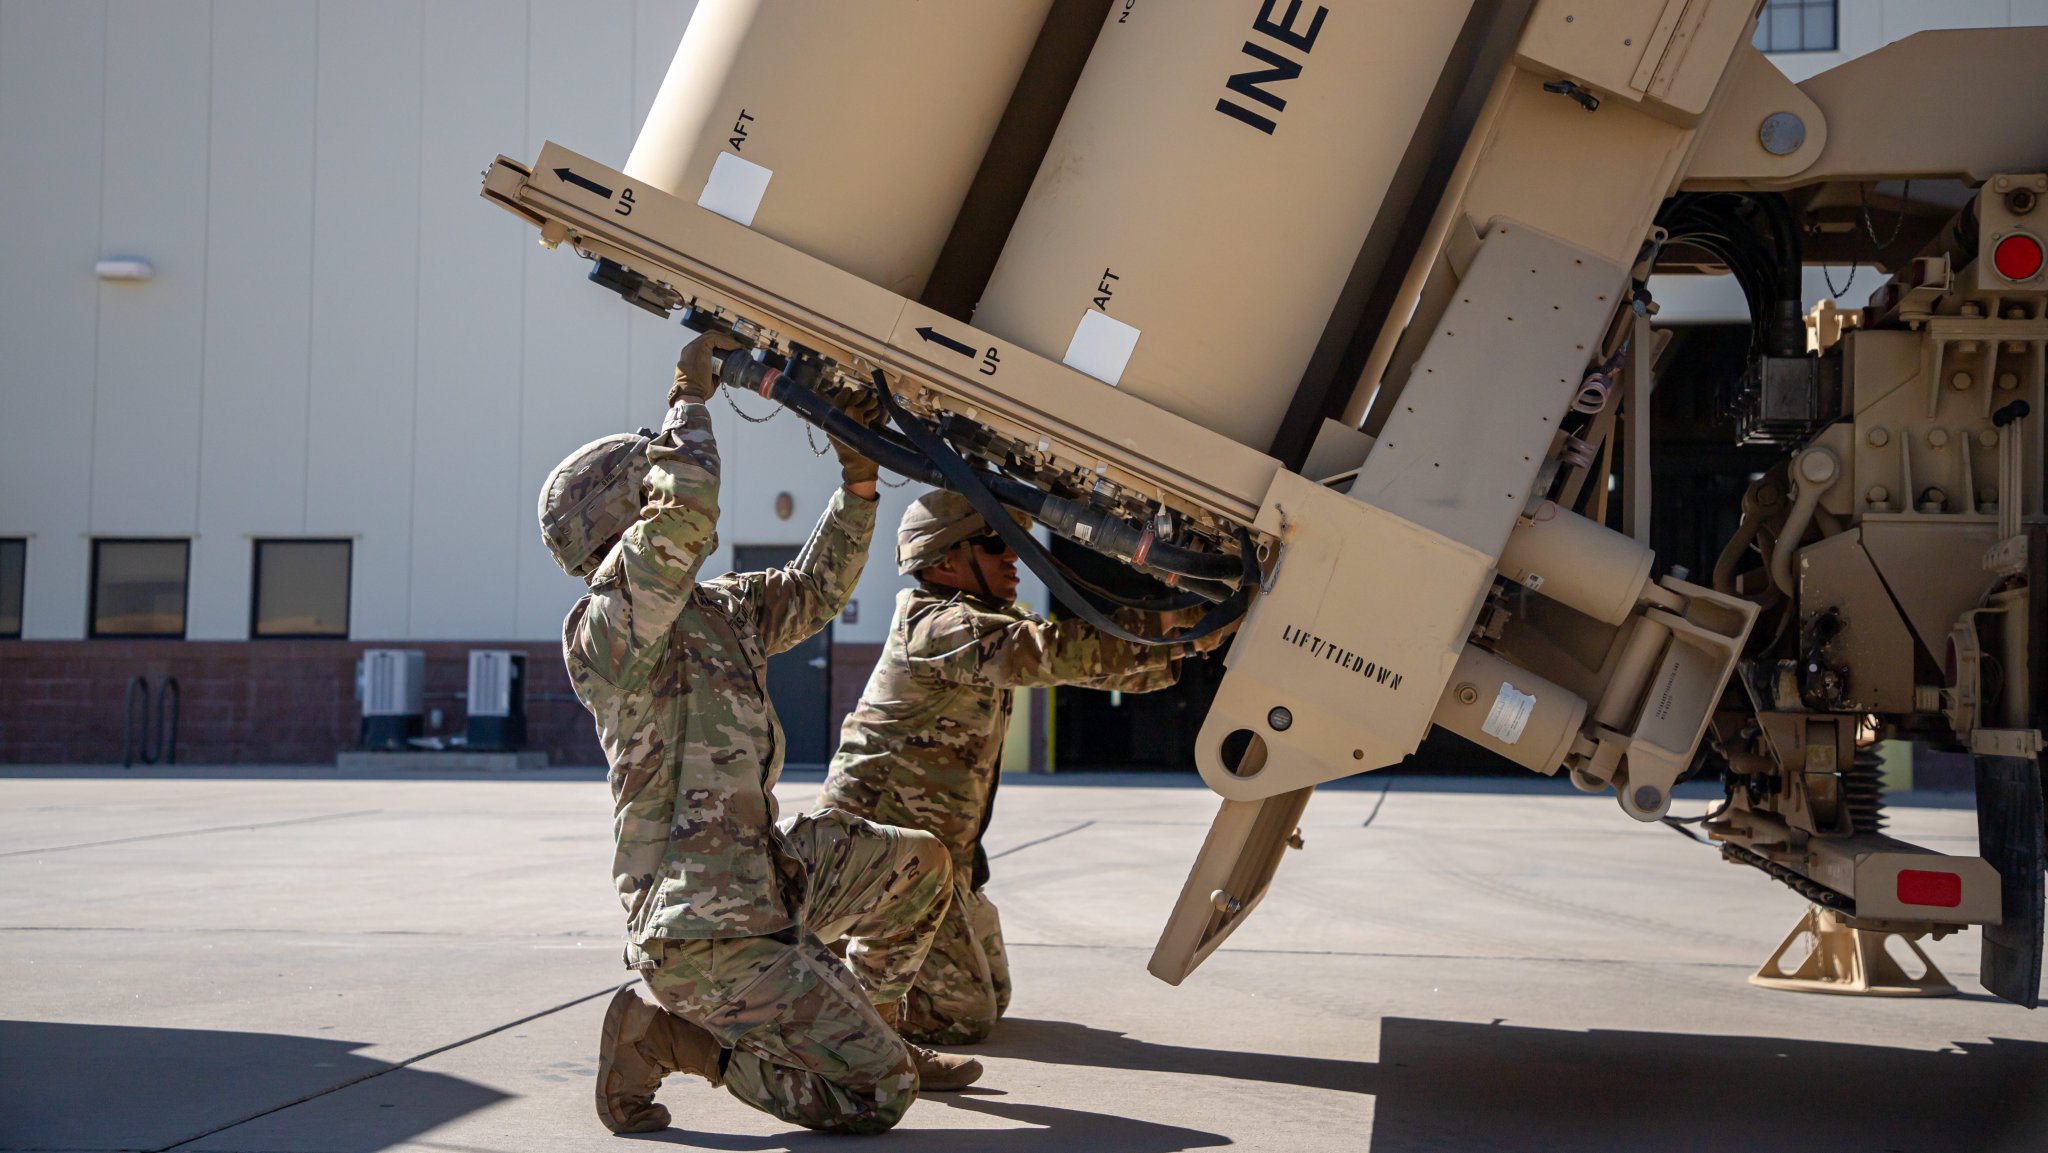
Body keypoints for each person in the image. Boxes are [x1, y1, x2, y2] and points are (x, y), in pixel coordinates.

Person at [542, 333, 982, 1138]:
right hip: (702, 933)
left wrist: (856, 480)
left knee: (919, 863)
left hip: (765, 877)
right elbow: (682, 517)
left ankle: (873, 1033)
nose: (663, 483)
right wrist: (690, 402)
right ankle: (674, 1037)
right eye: (649, 481)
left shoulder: (719, 610)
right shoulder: (605, 633)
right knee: (879, 1099)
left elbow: (812, 590)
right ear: (623, 514)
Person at [817, 490, 1230, 1044]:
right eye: (995, 545)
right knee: (960, 1018)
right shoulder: (934, 627)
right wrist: (1182, 621)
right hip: (879, 862)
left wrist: (1193, 637)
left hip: (938, 862)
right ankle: (823, 992)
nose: (1014, 557)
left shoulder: (990, 621)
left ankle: (851, 960)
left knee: (994, 1000)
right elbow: (1053, 651)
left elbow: (1101, 668)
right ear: (942, 562)